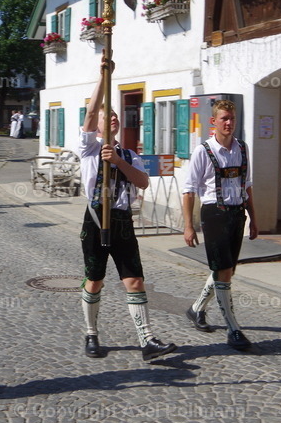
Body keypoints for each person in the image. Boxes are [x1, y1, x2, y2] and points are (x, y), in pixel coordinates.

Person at [79, 61, 177, 362]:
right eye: (104, 117)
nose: (109, 119)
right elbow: (91, 111)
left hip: (122, 220)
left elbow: (144, 182)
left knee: (134, 279)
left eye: (114, 116)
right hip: (96, 219)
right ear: (96, 125)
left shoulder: (128, 154)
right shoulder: (89, 148)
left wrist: (119, 163)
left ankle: (147, 340)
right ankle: (91, 334)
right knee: (94, 279)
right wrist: (102, 77)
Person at [181, 100, 258, 351]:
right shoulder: (203, 151)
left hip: (237, 214)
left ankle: (196, 309)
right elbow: (189, 190)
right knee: (223, 271)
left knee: (226, 271)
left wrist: (254, 219)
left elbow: (247, 186)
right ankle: (233, 329)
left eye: (232, 118)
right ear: (213, 122)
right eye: (224, 118)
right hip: (214, 213)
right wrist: (188, 226)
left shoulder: (242, 148)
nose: (229, 123)